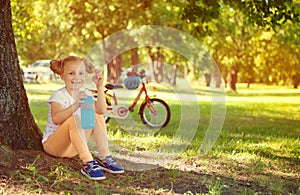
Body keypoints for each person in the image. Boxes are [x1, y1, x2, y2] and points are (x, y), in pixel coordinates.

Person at [42, 56, 124, 180]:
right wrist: (75, 105)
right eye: (71, 73)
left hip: (74, 148)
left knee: (95, 114)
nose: (76, 77)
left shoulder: (86, 93)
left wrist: (100, 87)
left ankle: (104, 157)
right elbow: (56, 119)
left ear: (86, 76)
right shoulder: (59, 95)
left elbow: (101, 111)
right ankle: (88, 163)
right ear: (62, 75)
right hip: (54, 146)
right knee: (73, 119)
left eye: (81, 73)